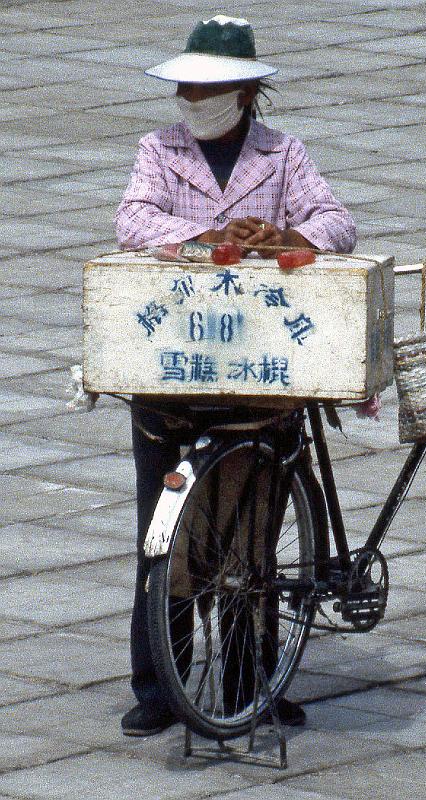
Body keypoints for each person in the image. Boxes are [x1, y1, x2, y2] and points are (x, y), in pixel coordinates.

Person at [116, 14, 356, 737]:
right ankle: (160, 685)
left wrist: (287, 237)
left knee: (254, 541)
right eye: (188, 86)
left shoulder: (283, 155)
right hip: (176, 370)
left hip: (259, 369)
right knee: (166, 541)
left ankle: (255, 680)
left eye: (212, 86)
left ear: (248, 93)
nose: (195, 96)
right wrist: (203, 236)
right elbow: (131, 219)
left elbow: (338, 222)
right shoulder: (159, 150)